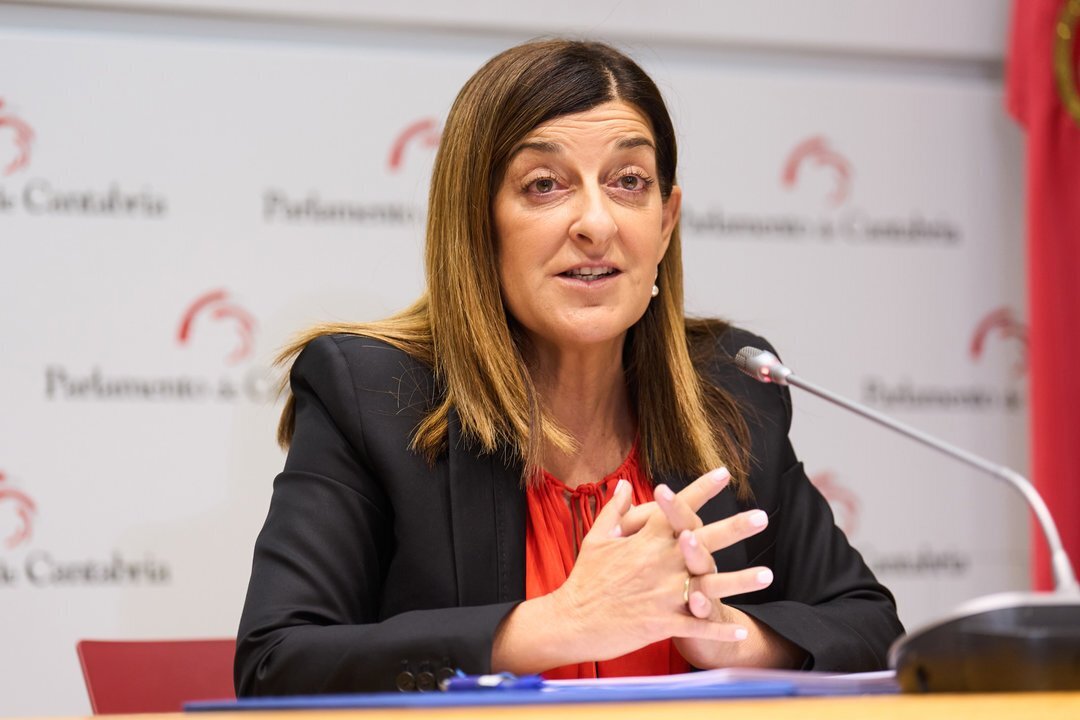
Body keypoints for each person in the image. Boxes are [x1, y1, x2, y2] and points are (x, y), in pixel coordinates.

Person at [234, 38, 903, 695]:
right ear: (476, 223)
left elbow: (871, 629)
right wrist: (554, 626)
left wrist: (729, 634)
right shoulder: (375, 394)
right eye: (545, 185)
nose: (596, 223)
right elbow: (277, 663)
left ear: (665, 222)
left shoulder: (728, 387)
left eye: (629, 182)